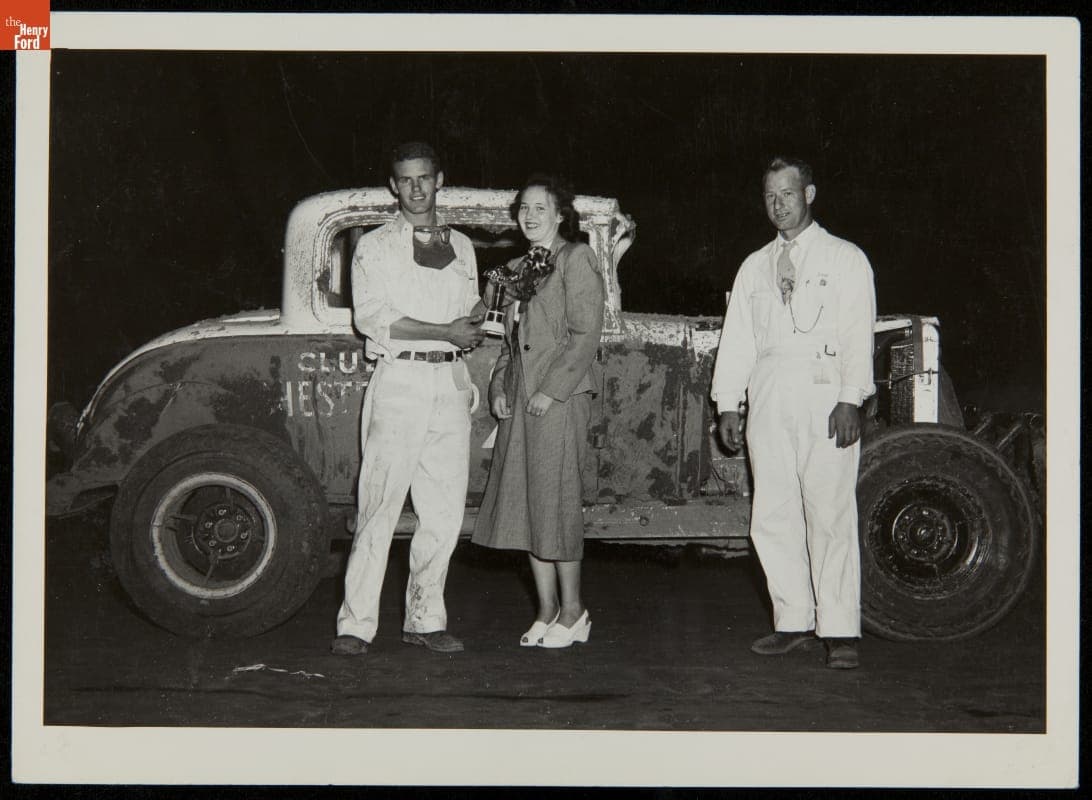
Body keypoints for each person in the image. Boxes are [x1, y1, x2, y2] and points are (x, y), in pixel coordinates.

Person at [711, 156, 876, 669]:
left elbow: (856, 333)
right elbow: (736, 340)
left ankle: (840, 629)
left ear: (809, 194)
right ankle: (793, 620)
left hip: (826, 394)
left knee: (828, 511)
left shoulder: (845, 258)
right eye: (769, 196)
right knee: (774, 514)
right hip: (768, 394)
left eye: (787, 193)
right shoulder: (754, 265)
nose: (778, 204)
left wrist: (852, 396)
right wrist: (728, 404)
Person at [332, 141, 485, 656]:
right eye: (407, 179)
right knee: (379, 507)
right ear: (394, 186)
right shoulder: (373, 247)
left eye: (425, 178)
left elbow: (469, 313)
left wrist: (485, 314)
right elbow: (371, 317)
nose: (417, 188)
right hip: (399, 384)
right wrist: (447, 329)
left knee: (443, 514)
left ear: (440, 179)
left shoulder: (463, 245)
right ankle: (355, 626)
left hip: (451, 385)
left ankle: (425, 620)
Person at [472, 175, 605, 649]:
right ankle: (546, 610)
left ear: (560, 215)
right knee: (529, 502)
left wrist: (551, 390)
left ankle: (574, 611)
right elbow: (511, 341)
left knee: (557, 502)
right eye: (524, 208)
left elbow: (586, 333)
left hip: (559, 399)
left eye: (540, 209)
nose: (530, 216)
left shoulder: (576, 259)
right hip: (523, 398)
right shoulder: (514, 268)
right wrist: (499, 385)